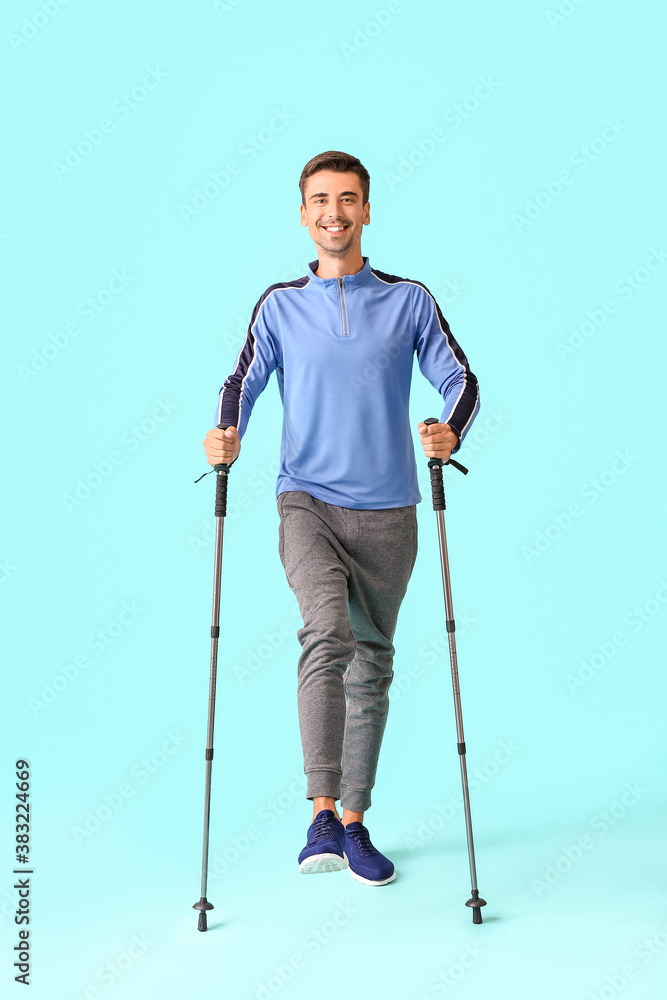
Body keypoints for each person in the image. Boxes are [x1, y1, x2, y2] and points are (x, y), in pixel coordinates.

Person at [202, 150, 480, 886]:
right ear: (302, 214)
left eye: (347, 199)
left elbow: (460, 377)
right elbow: (243, 380)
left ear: (365, 210)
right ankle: (319, 811)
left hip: (390, 511)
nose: (333, 211)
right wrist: (225, 435)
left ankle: (353, 821)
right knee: (325, 632)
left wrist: (451, 431)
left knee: (373, 664)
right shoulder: (280, 305)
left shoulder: (408, 300)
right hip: (308, 500)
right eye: (319, 200)